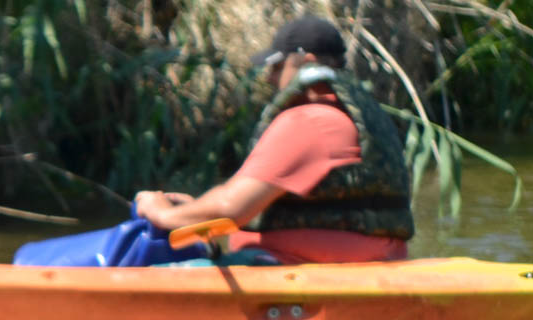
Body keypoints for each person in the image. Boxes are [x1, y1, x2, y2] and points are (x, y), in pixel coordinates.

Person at [131, 16, 414, 266]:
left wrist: (162, 214)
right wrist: (195, 209)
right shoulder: (356, 117)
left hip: (296, 269)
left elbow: (232, 209)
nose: (269, 77)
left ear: (307, 61)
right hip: (372, 262)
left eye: (277, 66)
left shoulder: (309, 122)